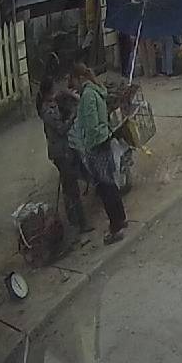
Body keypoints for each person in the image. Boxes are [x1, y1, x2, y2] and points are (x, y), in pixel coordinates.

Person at [67, 63, 126, 244]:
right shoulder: (95, 91)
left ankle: (115, 227)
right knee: (110, 182)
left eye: (73, 81)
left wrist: (87, 147)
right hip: (104, 139)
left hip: (97, 145)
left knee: (104, 187)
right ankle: (120, 219)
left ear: (79, 78)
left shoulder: (88, 96)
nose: (73, 86)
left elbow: (91, 126)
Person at [37, 72, 91, 236]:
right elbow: (61, 129)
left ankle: (77, 221)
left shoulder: (52, 103)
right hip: (60, 152)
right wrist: (72, 117)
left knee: (71, 186)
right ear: (48, 91)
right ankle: (78, 223)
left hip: (64, 149)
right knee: (71, 189)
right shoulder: (47, 111)